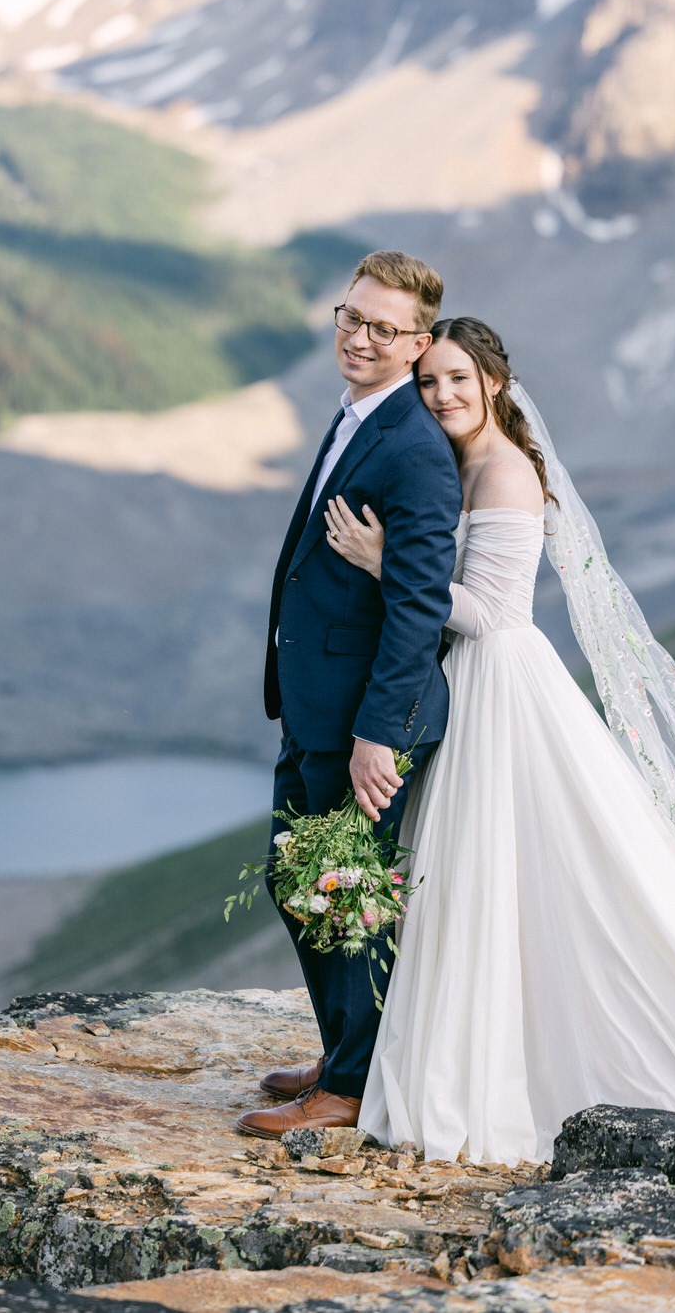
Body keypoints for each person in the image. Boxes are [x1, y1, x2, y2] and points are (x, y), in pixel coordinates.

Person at [323, 316, 675, 1166]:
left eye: (458, 378)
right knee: (472, 878)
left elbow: (493, 612)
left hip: (499, 683)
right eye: (429, 382)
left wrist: (385, 560)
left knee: (510, 870)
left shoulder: (503, 474)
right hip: (465, 682)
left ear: (495, 382)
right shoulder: (455, 461)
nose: (442, 395)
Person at [236, 251, 463, 1140]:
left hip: (363, 723)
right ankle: (343, 1056)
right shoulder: (360, 415)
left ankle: (353, 1088)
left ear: (417, 343)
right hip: (318, 705)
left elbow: (417, 608)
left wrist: (377, 733)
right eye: (350, 316)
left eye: (382, 328)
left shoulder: (414, 450)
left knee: (338, 891)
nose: (358, 337)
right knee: (304, 879)